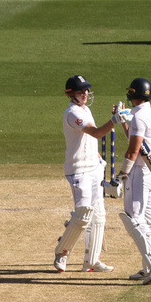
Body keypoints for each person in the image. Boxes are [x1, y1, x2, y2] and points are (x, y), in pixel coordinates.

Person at [54, 75, 117, 273]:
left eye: (86, 90)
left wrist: (99, 159)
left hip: (94, 168)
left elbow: (90, 140)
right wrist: (115, 120)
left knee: (98, 216)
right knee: (83, 216)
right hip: (78, 169)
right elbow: (97, 133)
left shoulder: (85, 109)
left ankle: (92, 261)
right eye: (81, 91)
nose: (85, 94)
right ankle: (62, 253)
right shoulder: (72, 113)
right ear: (70, 94)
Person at [112, 78, 151, 285]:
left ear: (132, 95)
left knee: (132, 217)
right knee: (148, 218)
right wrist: (124, 121)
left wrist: (120, 176)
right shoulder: (150, 114)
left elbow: (133, 150)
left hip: (138, 172)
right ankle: (149, 266)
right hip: (149, 173)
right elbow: (135, 140)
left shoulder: (139, 117)